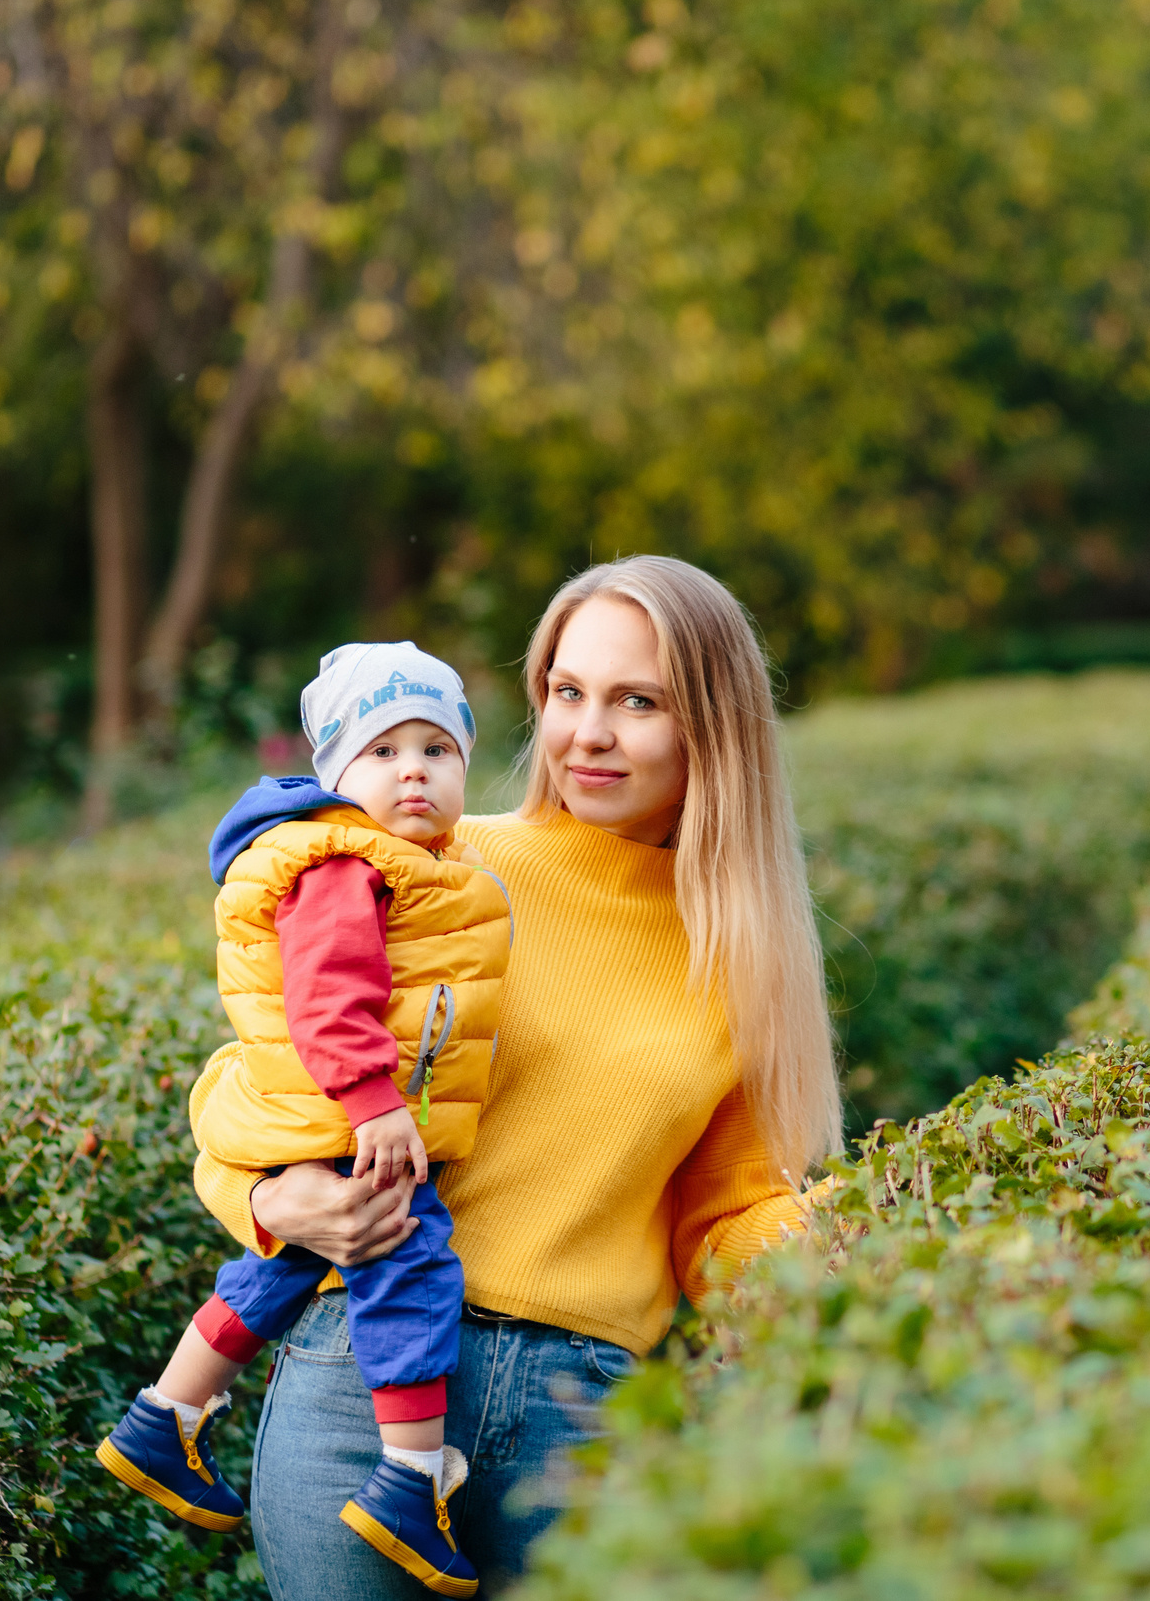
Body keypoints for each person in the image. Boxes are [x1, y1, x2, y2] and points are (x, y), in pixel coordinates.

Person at [190, 556, 843, 1600]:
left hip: (577, 1421)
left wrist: (862, 1233)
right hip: (360, 1383)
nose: (588, 732)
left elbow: (724, 1220)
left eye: (639, 701)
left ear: (713, 726)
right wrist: (270, 1197)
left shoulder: (742, 956)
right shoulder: (439, 866)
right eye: (567, 691)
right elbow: (250, 1076)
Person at [98, 642, 511, 1597]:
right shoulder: (342, 862)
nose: (413, 768)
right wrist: (375, 1105)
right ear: (336, 775)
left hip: (323, 1117)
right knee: (409, 1259)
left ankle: (165, 1415)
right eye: (383, 751)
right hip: (349, 1117)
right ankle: (411, 1477)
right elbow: (327, 1002)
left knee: (280, 1264)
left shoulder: (404, 863)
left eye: (437, 749)